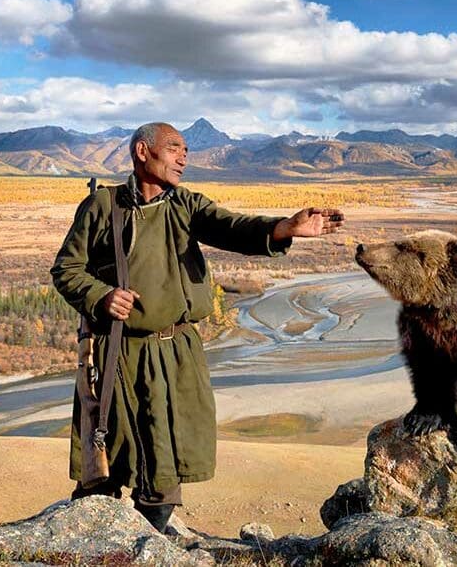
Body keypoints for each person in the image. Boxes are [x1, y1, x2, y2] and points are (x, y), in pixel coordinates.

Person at [50, 121, 344, 532]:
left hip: (175, 356)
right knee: (105, 468)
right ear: (141, 151)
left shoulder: (186, 205)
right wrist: (100, 296)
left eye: (186, 150)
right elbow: (66, 268)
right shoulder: (103, 207)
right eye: (174, 148)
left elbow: (233, 227)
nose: (183, 158)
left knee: (164, 470)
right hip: (119, 351)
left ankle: (148, 545)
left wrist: (285, 228)